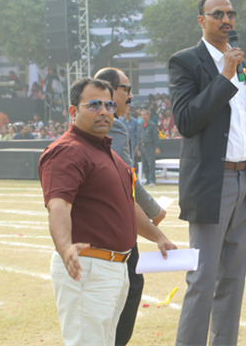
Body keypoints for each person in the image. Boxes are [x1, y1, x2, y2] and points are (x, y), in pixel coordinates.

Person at [168, 0, 246, 346]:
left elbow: (245, 134)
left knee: (232, 280)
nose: (226, 19)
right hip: (211, 184)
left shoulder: (242, 66)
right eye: (217, 14)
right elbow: (186, 122)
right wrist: (225, 76)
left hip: (243, 181)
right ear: (202, 20)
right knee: (202, 279)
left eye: (230, 13)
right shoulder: (185, 62)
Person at [38, 77, 176, 346]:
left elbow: (127, 205)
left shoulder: (108, 153)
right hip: (88, 268)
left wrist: (159, 237)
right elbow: (58, 205)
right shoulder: (67, 151)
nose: (103, 111)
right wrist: (64, 247)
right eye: (94, 105)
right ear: (72, 111)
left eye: (109, 105)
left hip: (116, 267)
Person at [93, 67, 167, 346]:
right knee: (129, 284)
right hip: (114, 221)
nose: (131, 96)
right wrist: (153, 211)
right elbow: (124, 180)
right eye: (127, 89)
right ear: (110, 90)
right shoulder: (114, 126)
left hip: (101, 221)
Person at [138, 109, 159, 186]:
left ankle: (152, 181)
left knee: (151, 164)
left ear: (148, 115)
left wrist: (156, 147)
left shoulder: (152, 125)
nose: (144, 116)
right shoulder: (141, 126)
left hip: (150, 147)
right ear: (140, 116)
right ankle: (147, 180)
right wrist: (139, 149)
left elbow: (155, 137)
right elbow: (140, 138)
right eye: (142, 115)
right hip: (143, 147)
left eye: (145, 114)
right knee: (145, 164)